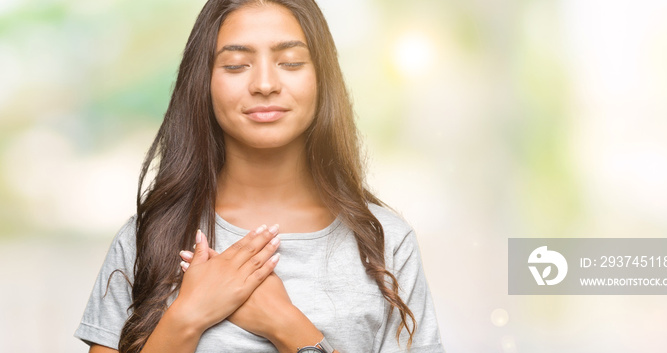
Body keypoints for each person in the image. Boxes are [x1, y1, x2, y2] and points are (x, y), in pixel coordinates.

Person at [75, 0, 445, 352]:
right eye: (236, 65)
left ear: (322, 78)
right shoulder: (149, 236)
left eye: (291, 62)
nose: (265, 84)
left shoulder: (387, 243)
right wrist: (188, 316)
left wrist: (287, 326)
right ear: (203, 82)